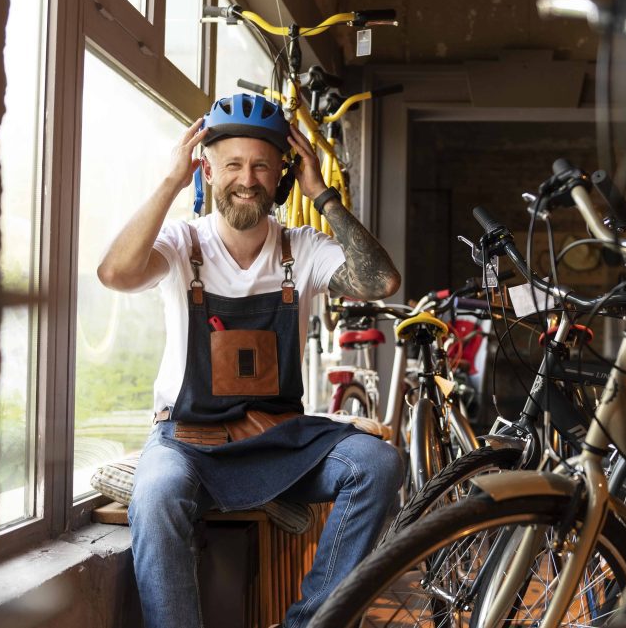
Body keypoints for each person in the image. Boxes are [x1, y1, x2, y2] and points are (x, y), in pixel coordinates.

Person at [97, 93, 404, 628]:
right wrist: (170, 181)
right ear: (208, 167)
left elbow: (381, 282)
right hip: (188, 440)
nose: (247, 178)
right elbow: (115, 274)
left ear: (282, 172)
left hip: (279, 441)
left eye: (262, 165)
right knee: (156, 495)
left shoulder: (301, 248)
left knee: (379, 464)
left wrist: (323, 193)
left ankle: (309, 622)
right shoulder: (181, 243)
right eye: (233, 164)